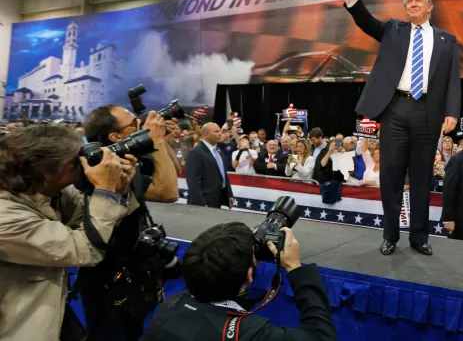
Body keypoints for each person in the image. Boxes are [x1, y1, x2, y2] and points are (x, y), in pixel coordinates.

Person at [342, 0, 461, 256]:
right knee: (391, 175)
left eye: (419, 0)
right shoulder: (394, 30)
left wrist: (452, 112)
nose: (413, 4)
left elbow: (452, 80)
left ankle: (419, 237)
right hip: (395, 109)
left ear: (430, 6)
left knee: (421, 177)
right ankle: (390, 235)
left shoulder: (447, 40)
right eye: (408, 1)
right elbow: (365, 21)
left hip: (427, 113)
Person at [0, 124, 135, 340]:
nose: (82, 167)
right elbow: (86, 248)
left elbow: (97, 221)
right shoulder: (5, 218)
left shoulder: (48, 192)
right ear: (45, 171)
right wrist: (105, 191)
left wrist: (117, 189)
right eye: (75, 163)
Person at [79, 106, 180, 341]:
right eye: (134, 124)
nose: (141, 126)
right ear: (115, 137)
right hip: (107, 279)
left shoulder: (128, 162)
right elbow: (167, 191)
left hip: (132, 271)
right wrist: (154, 140)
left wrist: (161, 141)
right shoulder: (99, 170)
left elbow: (172, 172)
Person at [143, 223, 337, 341]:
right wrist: (295, 268)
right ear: (250, 275)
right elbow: (321, 336)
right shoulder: (248, 332)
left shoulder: (170, 304)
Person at [185, 123, 234, 209]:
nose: (220, 134)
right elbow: (193, 181)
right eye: (216, 131)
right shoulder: (196, 152)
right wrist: (200, 203)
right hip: (204, 201)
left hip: (217, 198)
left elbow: (223, 175)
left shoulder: (218, 151)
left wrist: (229, 194)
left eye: (220, 131)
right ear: (206, 135)